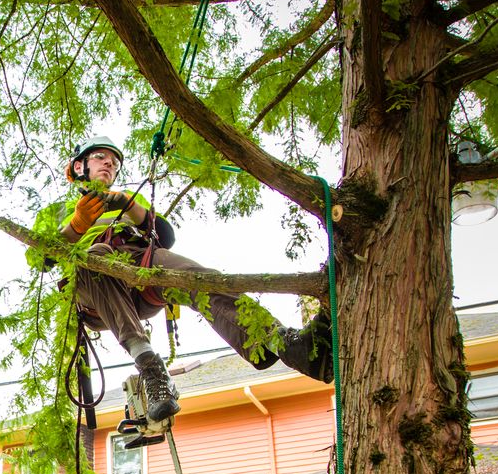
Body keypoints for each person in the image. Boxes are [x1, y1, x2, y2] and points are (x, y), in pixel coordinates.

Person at [53, 135, 332, 423]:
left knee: (198, 279)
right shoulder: (58, 211)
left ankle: (283, 344)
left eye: (114, 160)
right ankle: (150, 367)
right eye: (100, 156)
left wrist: (130, 205)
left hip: (139, 269)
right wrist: (75, 226)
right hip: (96, 293)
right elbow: (43, 258)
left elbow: (166, 236)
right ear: (78, 166)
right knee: (95, 255)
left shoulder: (128, 199)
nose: (110, 162)